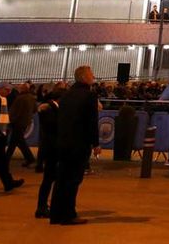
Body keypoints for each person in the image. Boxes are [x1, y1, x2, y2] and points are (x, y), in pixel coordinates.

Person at [50, 65, 100, 225]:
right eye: (91, 74)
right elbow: (91, 122)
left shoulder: (66, 95)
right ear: (85, 77)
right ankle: (68, 214)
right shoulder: (90, 96)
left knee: (61, 179)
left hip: (64, 142)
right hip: (79, 144)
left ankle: (56, 214)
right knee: (73, 180)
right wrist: (96, 143)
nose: (93, 76)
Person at [34, 86, 63, 218]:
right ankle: (42, 207)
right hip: (52, 148)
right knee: (49, 179)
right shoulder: (49, 109)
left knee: (50, 179)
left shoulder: (49, 107)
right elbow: (53, 126)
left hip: (51, 147)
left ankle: (44, 206)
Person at [6, 84, 37, 167]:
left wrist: (10, 120)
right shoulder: (31, 98)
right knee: (18, 142)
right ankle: (29, 159)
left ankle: (6, 160)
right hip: (25, 122)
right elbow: (35, 110)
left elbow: (14, 111)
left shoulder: (19, 98)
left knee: (16, 142)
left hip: (17, 122)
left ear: (22, 89)